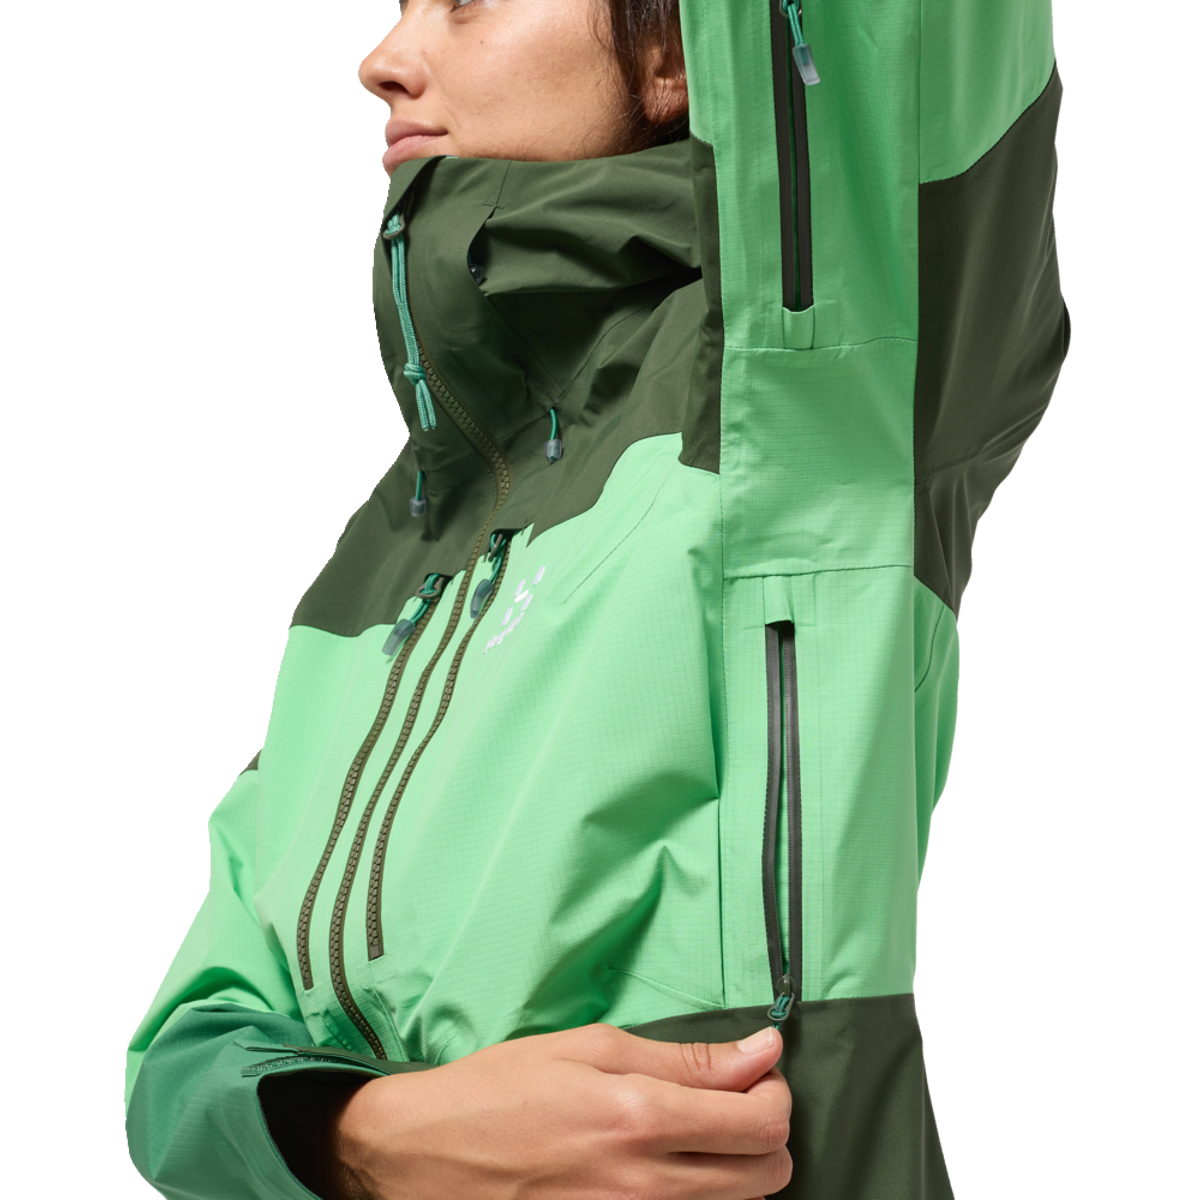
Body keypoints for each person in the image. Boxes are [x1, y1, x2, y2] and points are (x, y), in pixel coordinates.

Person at [123, 2, 1070, 1198]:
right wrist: (365, 1135)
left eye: (466, 1)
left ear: (676, 50)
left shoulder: (821, 382)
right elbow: (182, 1062)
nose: (381, 61)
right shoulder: (377, 560)